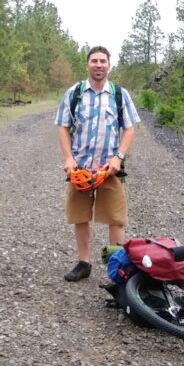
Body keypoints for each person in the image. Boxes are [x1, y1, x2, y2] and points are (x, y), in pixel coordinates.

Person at [55, 46, 140, 282]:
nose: (99, 65)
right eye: (94, 61)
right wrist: (68, 158)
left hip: (109, 171)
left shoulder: (119, 94)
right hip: (79, 169)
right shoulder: (74, 93)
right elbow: (62, 126)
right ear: (87, 65)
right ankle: (84, 263)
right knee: (80, 216)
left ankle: (118, 270)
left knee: (115, 218)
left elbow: (130, 128)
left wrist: (118, 157)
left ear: (108, 65)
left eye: (103, 61)